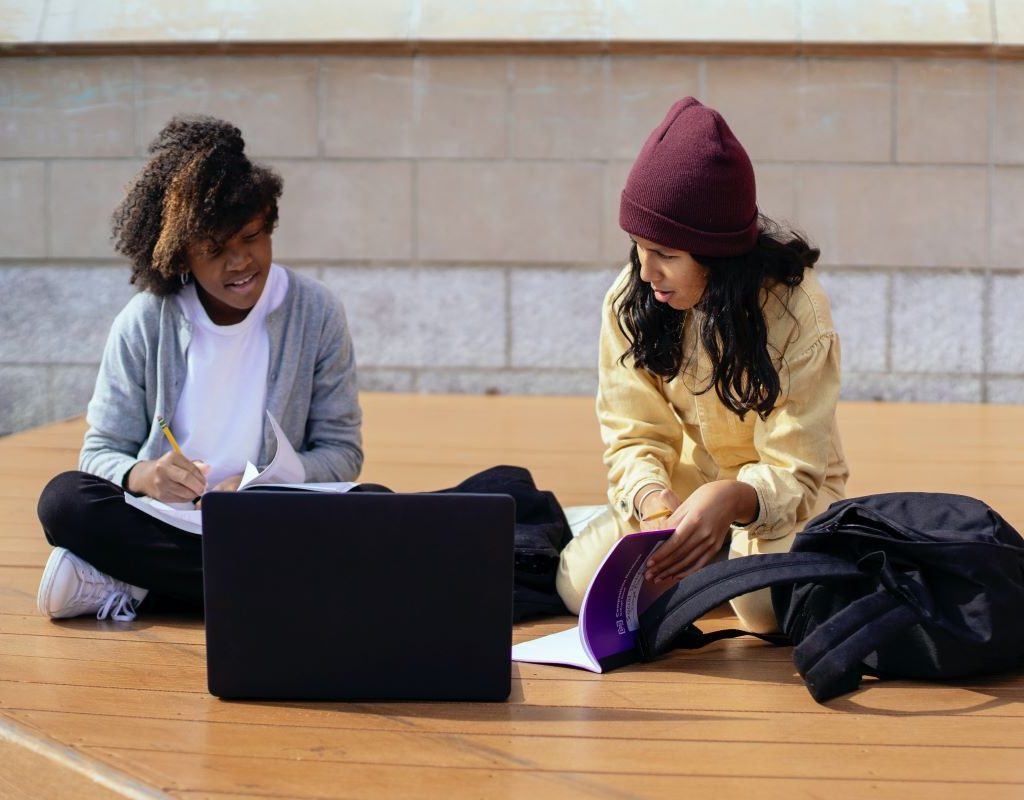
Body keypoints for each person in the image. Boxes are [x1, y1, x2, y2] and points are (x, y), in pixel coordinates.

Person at [35, 115, 363, 622]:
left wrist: (261, 486)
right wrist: (147, 476)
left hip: (267, 520)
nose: (240, 262)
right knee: (63, 501)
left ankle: (136, 584)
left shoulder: (316, 312)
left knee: (372, 502)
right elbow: (99, 453)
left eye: (252, 237)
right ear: (181, 253)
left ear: (270, 223)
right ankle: (271, 590)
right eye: (215, 250)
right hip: (165, 522)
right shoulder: (146, 320)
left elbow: (342, 454)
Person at [556, 97, 848, 633]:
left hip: (781, 499)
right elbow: (632, 433)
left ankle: (726, 560)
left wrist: (732, 500)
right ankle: (693, 555)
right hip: (681, 496)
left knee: (763, 612)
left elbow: (796, 469)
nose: (646, 272)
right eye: (637, 247)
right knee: (578, 584)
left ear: (716, 255)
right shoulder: (631, 299)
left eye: (665, 253)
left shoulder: (797, 309)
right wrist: (650, 500)